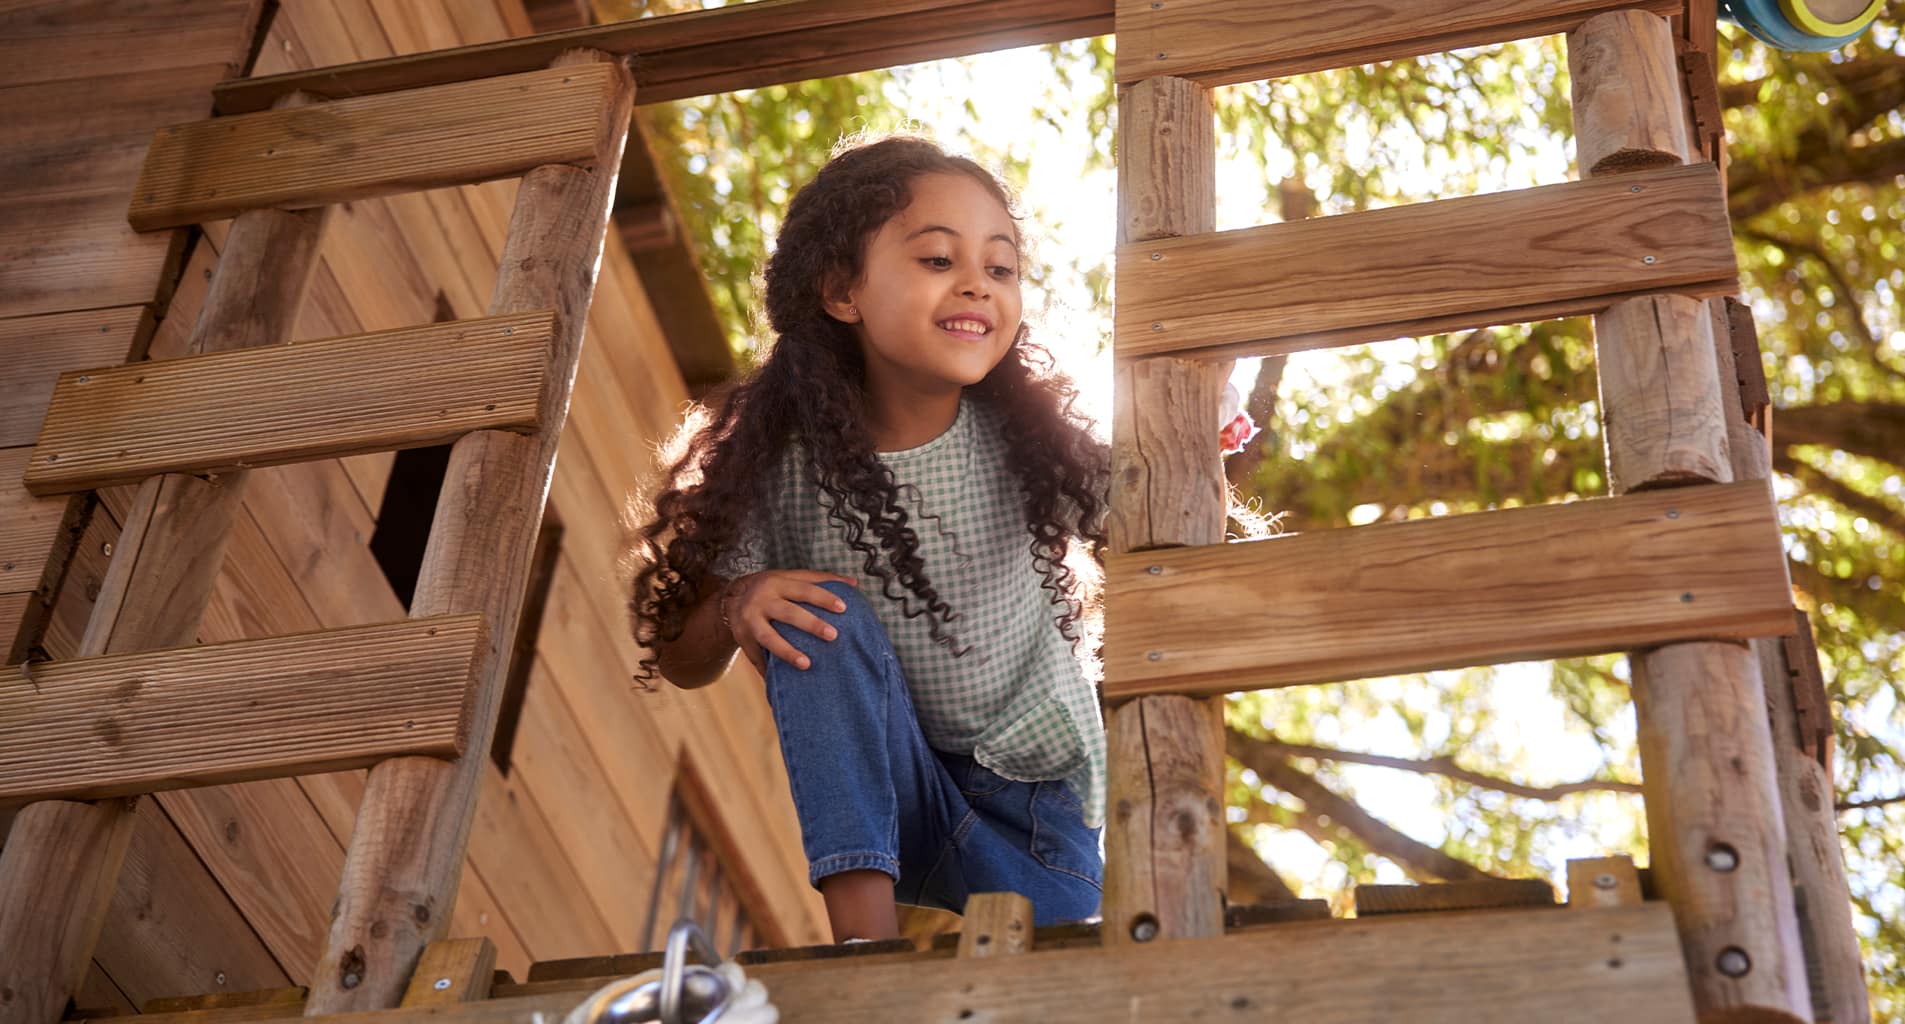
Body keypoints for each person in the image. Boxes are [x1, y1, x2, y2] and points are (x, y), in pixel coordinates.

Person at [628, 135, 1111, 942]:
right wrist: (738, 604)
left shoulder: (1034, 444)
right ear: (841, 291)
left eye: (999, 268)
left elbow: (1157, 500)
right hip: (885, 785)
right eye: (936, 260)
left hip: (1036, 816)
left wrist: (1200, 433)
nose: (976, 287)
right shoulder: (776, 463)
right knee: (812, 611)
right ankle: (862, 947)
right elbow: (682, 657)